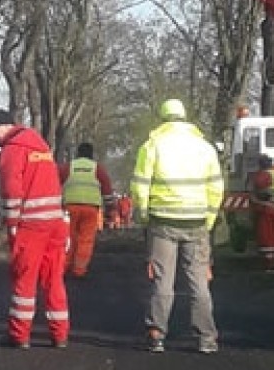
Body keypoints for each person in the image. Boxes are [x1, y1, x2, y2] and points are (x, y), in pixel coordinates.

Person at [130, 97, 223, 354]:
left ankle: (157, 334)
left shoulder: (152, 145)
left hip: (163, 222)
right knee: (199, 282)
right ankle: (206, 338)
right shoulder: (205, 148)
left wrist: (145, 216)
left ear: (163, 117)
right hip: (197, 222)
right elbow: (216, 188)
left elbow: (140, 186)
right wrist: (210, 219)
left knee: (163, 281)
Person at [0, 108, 70, 348]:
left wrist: (11, 224)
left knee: (25, 279)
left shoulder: (11, 152)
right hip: (55, 223)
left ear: (4, 126)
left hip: (31, 226)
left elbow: (12, 190)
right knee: (54, 280)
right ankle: (60, 335)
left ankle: (19, 335)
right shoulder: (42, 148)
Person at [58, 141, 116, 278]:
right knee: (86, 239)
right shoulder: (97, 169)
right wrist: (110, 211)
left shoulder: (68, 167)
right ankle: (79, 270)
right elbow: (107, 192)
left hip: (69, 208)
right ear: (92, 154)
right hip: (91, 209)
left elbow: (55, 185)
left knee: (68, 238)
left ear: (78, 154)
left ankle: (63, 267)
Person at [249, 153, 274, 270]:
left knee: (266, 236)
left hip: (267, 208)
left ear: (261, 165)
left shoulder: (264, 175)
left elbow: (257, 185)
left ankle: (269, 263)